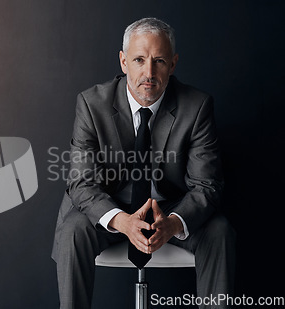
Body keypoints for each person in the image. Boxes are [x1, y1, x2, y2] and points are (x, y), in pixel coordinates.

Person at [52, 17, 236, 309]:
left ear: (173, 65)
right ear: (124, 62)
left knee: (220, 230)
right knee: (74, 228)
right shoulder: (91, 104)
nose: (148, 72)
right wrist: (122, 221)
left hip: (170, 209)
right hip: (112, 206)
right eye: (139, 60)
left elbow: (207, 185)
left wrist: (173, 224)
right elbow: (81, 182)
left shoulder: (197, 106)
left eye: (159, 61)